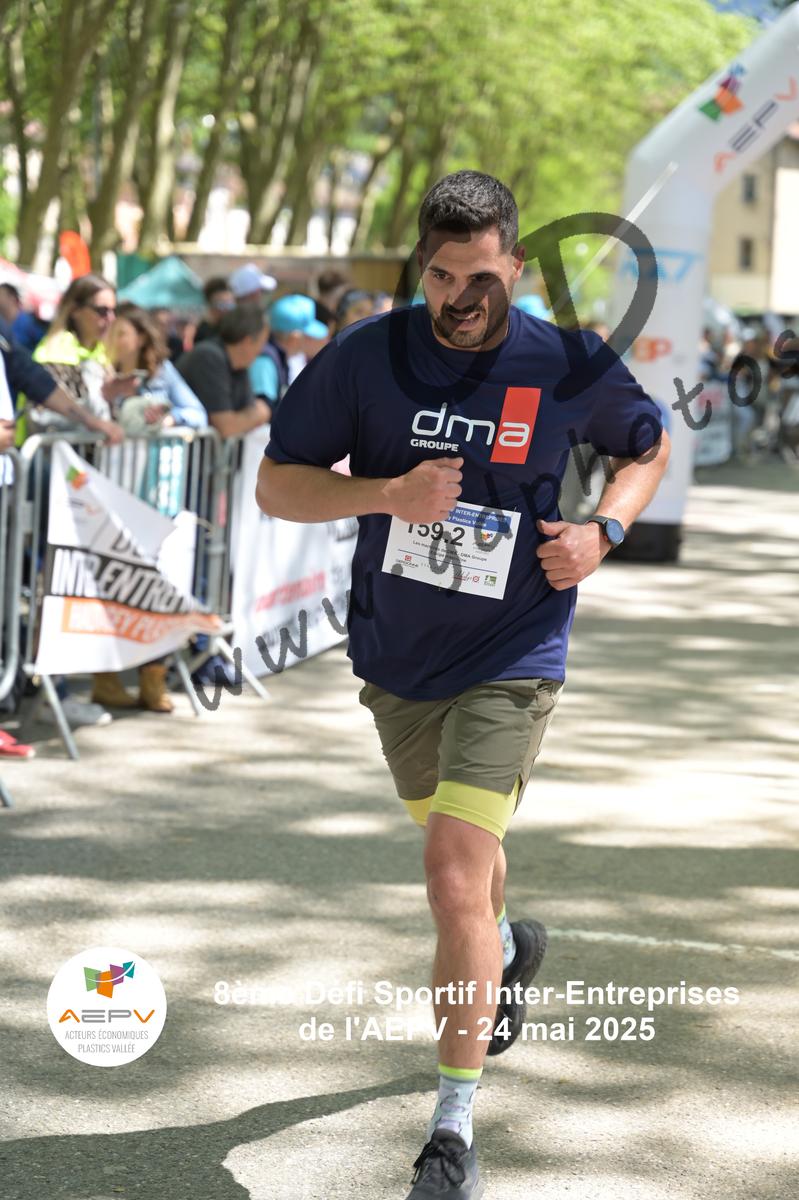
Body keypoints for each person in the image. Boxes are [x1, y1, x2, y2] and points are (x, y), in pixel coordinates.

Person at [256, 169, 671, 1199]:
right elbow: (276, 485)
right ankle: (509, 946)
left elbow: (647, 446)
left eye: (479, 277)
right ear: (422, 268)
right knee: (468, 874)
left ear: (515, 267)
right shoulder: (367, 357)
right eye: (441, 276)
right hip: (398, 659)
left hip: (513, 652)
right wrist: (385, 492)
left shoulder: (564, 361)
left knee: (449, 873)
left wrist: (603, 531)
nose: (459, 298)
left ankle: (451, 1126)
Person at [108, 304, 208, 433]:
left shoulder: (162, 370)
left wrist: (170, 418)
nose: (112, 340)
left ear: (141, 338)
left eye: (120, 334)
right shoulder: (101, 372)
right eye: (109, 333)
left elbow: (198, 414)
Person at [176, 305, 270, 438]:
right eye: (262, 343)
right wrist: (259, 414)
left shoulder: (239, 366)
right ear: (247, 341)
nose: (262, 350)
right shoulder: (208, 357)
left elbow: (250, 412)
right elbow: (226, 427)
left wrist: (254, 415)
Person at [250, 294, 330, 412]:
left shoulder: (284, 358)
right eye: (308, 336)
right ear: (294, 338)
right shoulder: (265, 362)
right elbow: (261, 411)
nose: (313, 340)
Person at [0, 282, 48, 353]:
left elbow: (43, 342)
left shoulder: (28, 322)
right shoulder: (3, 324)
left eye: (1, 295)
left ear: (12, 298)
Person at [193, 277, 235, 344]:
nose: (227, 309)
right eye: (222, 305)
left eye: (230, 305)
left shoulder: (232, 330)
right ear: (210, 306)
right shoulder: (203, 334)